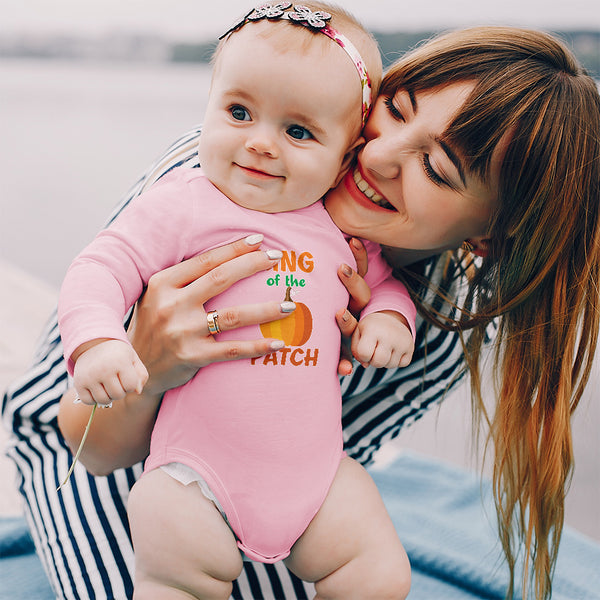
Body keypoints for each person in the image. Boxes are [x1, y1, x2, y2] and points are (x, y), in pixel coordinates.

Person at [3, 22, 599, 600]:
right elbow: (93, 447)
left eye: (437, 170)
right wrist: (150, 357)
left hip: (255, 482)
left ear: (487, 237)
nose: (379, 157)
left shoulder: (436, 331)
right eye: (395, 110)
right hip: (86, 439)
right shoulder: (229, 169)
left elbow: (310, 480)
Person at [57, 3, 414, 598]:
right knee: (177, 574)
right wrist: (97, 342)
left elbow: (383, 286)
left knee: (378, 571)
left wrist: (388, 318)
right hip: (193, 475)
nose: (259, 144)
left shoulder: (334, 226)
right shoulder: (187, 203)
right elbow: (100, 266)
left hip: (315, 477)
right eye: (239, 112)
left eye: (298, 131)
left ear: (347, 155)